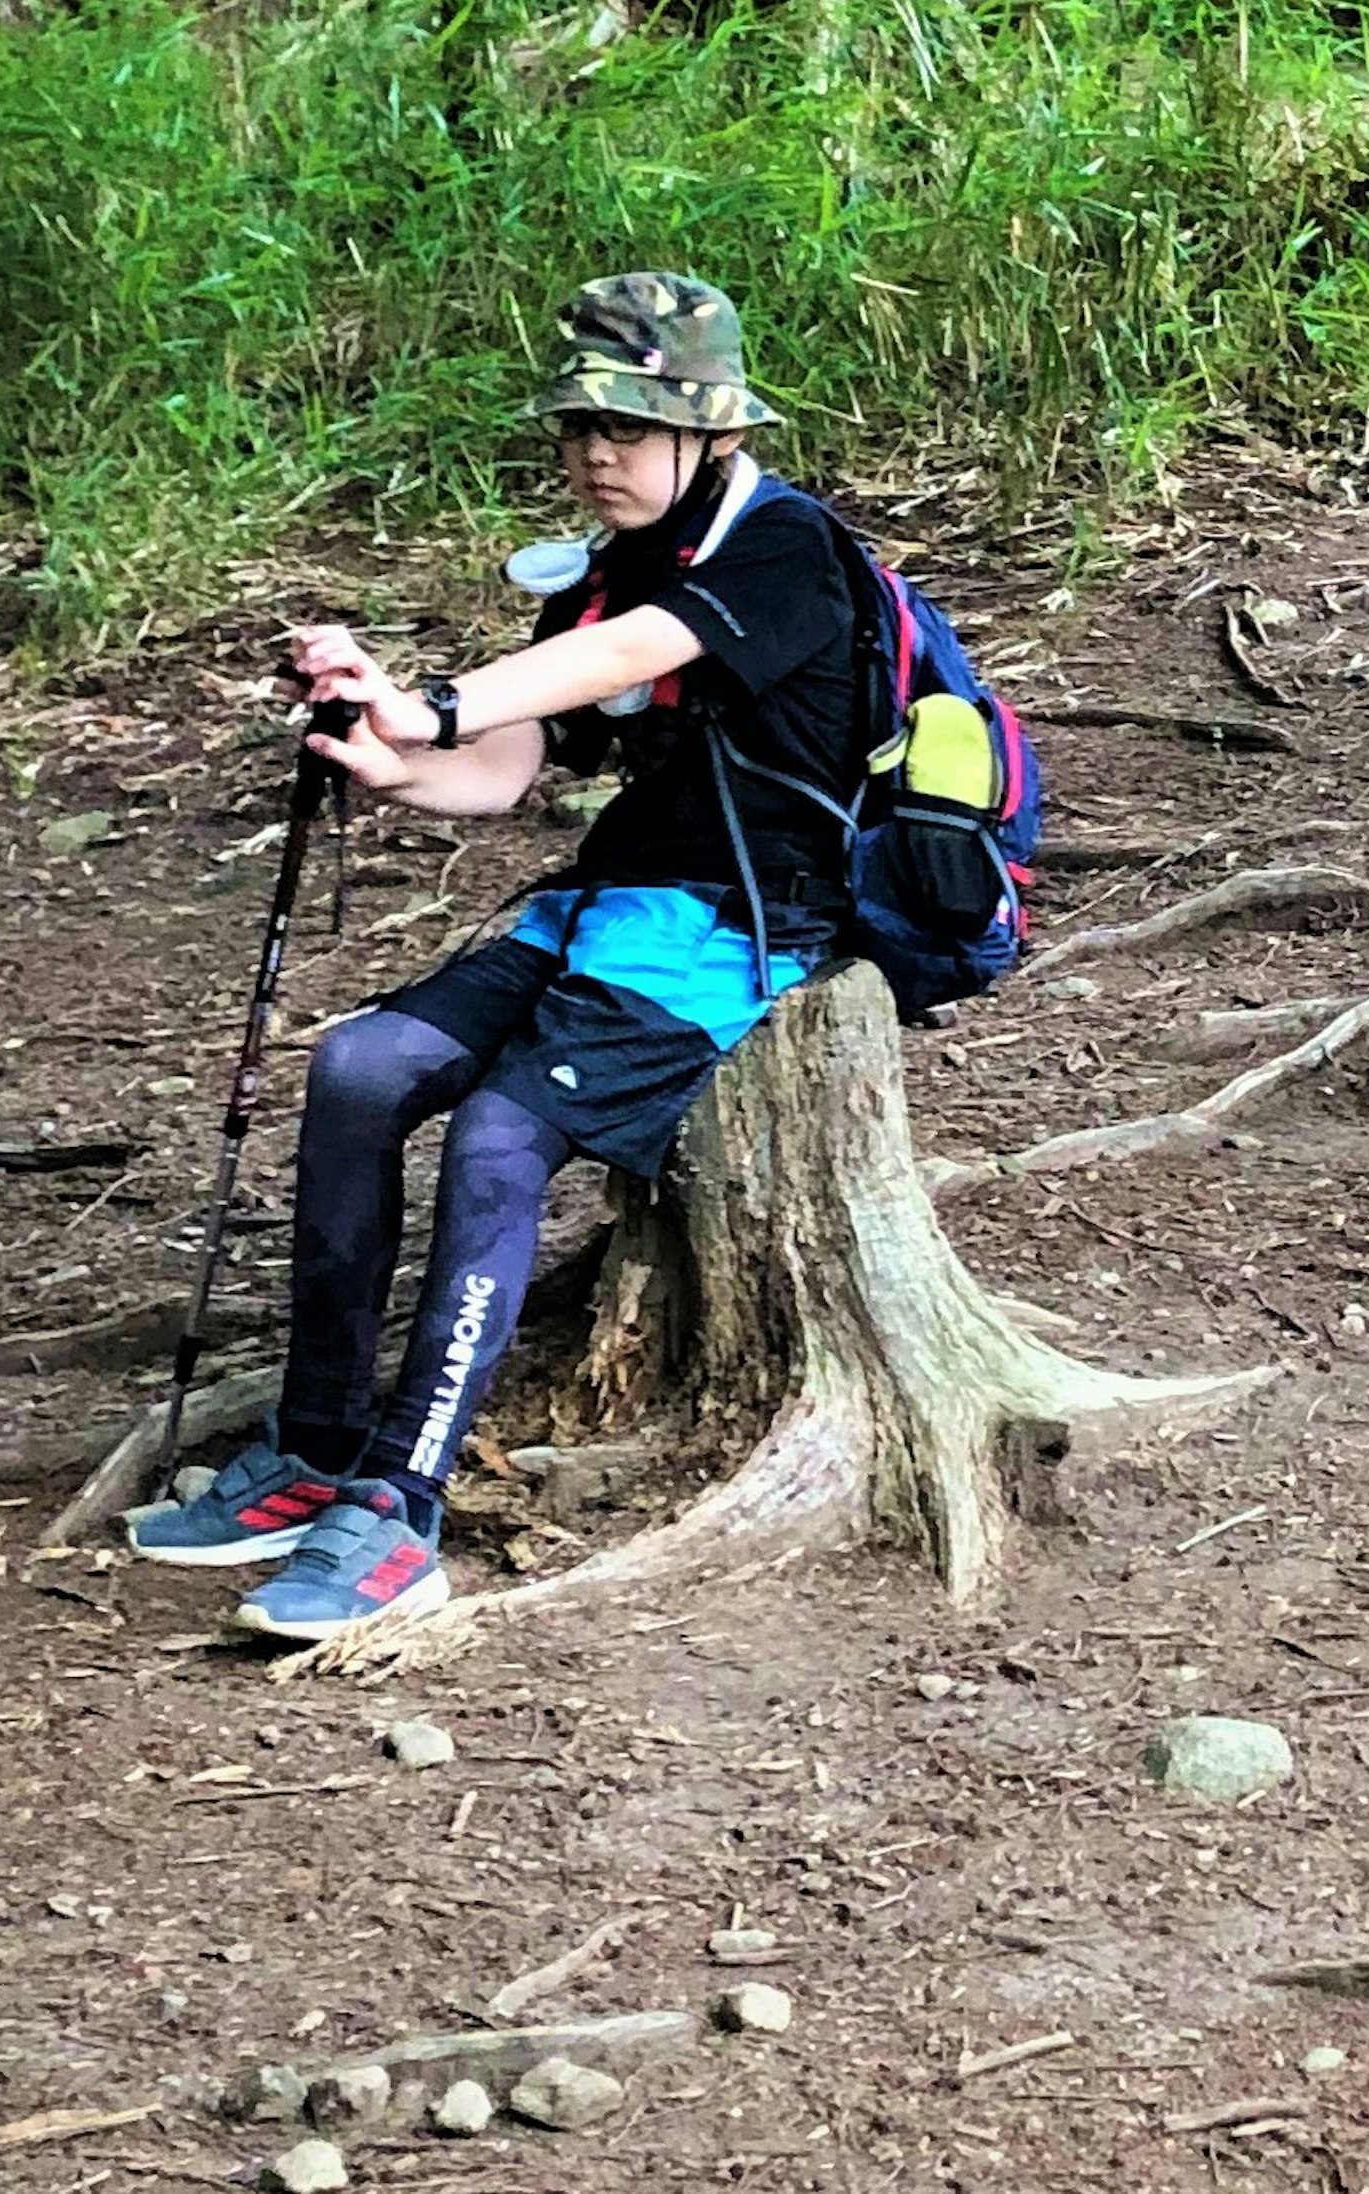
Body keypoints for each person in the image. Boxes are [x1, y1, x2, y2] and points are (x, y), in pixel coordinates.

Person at [127, 273, 872, 1639]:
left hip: (739, 924)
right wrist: (389, 747)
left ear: (711, 431)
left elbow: (650, 650)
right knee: (358, 1069)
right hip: (603, 902)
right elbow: (507, 768)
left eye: (631, 426)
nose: (598, 451)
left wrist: (440, 697)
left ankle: (400, 1511)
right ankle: (318, 1449)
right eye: (582, 424)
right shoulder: (600, 572)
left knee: (495, 1139)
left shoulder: (786, 550)